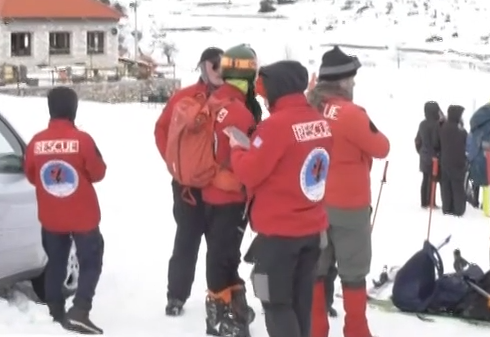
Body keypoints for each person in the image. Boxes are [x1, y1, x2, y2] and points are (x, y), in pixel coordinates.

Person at [155, 44, 262, 337]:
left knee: (218, 252)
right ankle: (182, 297)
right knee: (198, 246)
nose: (216, 68)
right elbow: (163, 132)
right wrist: (180, 170)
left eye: (220, 64)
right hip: (200, 189)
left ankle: (232, 307)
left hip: (209, 187)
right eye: (212, 64)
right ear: (203, 66)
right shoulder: (196, 98)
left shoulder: (223, 101)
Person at [232, 60, 333, 337]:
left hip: (278, 235)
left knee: (275, 302)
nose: (263, 99)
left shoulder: (275, 126)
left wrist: (237, 150)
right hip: (312, 229)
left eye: (265, 93)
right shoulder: (320, 122)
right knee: (300, 302)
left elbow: (250, 173)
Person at [307, 46, 391, 337]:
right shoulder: (351, 113)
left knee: (317, 269)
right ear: (342, 82)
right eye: (352, 79)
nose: (354, 84)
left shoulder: (308, 108)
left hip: (313, 204)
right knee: (353, 273)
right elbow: (381, 147)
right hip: (349, 207)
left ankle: (316, 328)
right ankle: (356, 329)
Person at [24, 87, 106, 334]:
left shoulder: (36, 142)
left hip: (51, 216)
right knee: (91, 260)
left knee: (56, 263)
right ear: (73, 109)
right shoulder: (82, 140)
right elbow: (99, 172)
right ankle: (80, 310)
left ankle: (54, 312)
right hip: (83, 216)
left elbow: (31, 175)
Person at [438, 104, 468, 216]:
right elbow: (467, 143)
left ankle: (447, 207)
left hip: (444, 160)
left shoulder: (443, 128)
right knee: (457, 186)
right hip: (458, 162)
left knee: (445, 185)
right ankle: (458, 209)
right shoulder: (461, 131)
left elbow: (437, 143)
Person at [415, 101, 442, 208]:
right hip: (436, 155)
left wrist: (420, 151)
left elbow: (417, 140)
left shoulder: (422, 124)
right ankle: (431, 201)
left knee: (425, 178)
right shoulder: (438, 124)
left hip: (424, 155)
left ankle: (424, 202)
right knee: (433, 179)